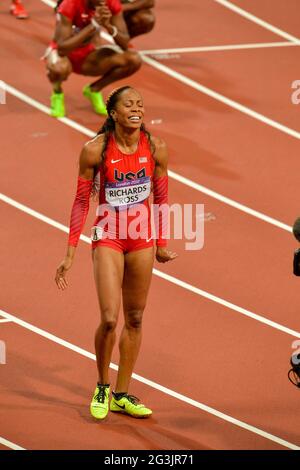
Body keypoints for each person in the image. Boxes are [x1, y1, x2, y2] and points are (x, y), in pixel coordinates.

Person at [55, 86, 177, 419]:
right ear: (113, 113)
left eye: (140, 103)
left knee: (135, 318)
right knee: (110, 319)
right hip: (108, 235)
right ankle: (102, 385)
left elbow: (162, 198)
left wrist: (163, 242)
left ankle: (122, 394)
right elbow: (81, 201)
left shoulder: (156, 147)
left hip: (142, 239)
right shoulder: (95, 151)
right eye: (129, 104)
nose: (136, 108)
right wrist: (70, 253)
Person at [45, 0, 142, 118]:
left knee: (133, 59)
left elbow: (125, 43)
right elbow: (62, 48)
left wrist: (108, 26)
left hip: (88, 55)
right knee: (59, 69)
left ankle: (94, 90)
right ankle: (57, 93)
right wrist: (94, 25)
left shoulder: (111, 4)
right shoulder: (70, 4)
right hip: (64, 55)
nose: (103, 1)